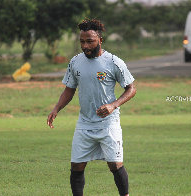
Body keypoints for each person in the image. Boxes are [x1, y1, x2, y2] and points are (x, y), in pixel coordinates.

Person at [47, 18, 136, 196]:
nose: (85, 46)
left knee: (115, 165)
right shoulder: (75, 62)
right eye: (82, 41)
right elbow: (69, 89)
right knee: (76, 167)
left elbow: (131, 89)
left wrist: (113, 105)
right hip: (85, 124)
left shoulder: (113, 62)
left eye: (90, 41)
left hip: (108, 123)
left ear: (100, 41)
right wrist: (56, 108)